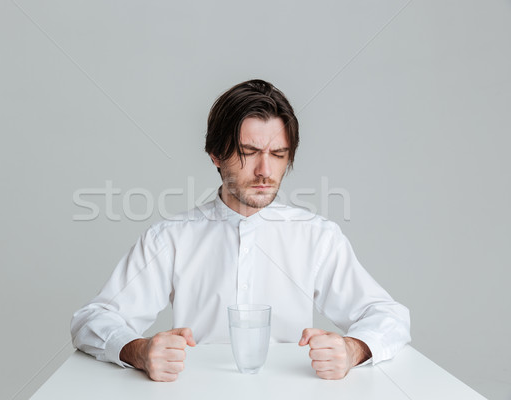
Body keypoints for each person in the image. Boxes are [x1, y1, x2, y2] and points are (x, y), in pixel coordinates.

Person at [70, 79, 411, 382]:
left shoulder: (317, 237)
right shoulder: (171, 238)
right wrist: (138, 351)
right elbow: (92, 321)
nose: (265, 170)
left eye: (278, 154)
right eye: (249, 152)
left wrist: (354, 349)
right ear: (216, 154)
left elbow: (388, 316)